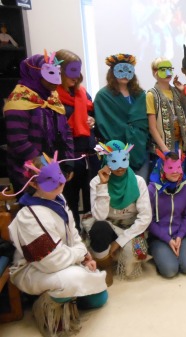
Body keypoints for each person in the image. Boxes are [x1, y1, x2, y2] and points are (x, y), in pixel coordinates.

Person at [3, 153, 107, 336]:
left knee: (99, 298)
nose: (60, 183)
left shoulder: (58, 198)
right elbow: (50, 261)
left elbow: (73, 233)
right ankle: (44, 303)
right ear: (34, 184)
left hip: (63, 259)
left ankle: (67, 296)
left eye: (60, 176)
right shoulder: (29, 217)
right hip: (34, 268)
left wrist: (84, 257)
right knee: (74, 280)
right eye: (50, 180)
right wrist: (79, 254)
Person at [4, 52, 74, 193]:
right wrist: (44, 167)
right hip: (28, 175)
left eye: (58, 74)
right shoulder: (19, 101)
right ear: (35, 74)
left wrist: (68, 162)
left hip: (55, 169)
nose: (57, 81)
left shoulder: (52, 98)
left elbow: (65, 132)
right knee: (35, 212)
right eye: (50, 74)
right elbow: (18, 141)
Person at [89, 140, 152, 285]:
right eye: (114, 161)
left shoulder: (139, 182)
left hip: (130, 227)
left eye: (123, 160)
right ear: (106, 160)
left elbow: (145, 217)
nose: (120, 167)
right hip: (107, 224)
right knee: (99, 229)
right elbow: (99, 217)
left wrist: (120, 241)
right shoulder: (96, 182)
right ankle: (105, 265)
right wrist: (103, 186)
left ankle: (113, 254)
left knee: (136, 254)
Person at [55, 49, 98, 230]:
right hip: (69, 156)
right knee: (70, 200)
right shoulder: (53, 96)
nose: (76, 76)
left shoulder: (82, 93)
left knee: (92, 197)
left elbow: (92, 114)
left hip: (89, 153)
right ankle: (75, 235)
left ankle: (91, 235)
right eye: (71, 71)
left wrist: (92, 120)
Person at [94, 53, 149, 181]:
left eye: (128, 70)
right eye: (120, 70)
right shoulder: (103, 96)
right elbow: (104, 124)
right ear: (112, 72)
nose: (125, 74)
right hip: (116, 150)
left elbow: (145, 121)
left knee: (140, 185)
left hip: (139, 147)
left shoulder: (140, 94)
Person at [148, 150, 186, 278]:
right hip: (159, 237)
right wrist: (168, 240)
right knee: (170, 270)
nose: (175, 171)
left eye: (178, 167)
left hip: (180, 235)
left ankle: (175, 251)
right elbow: (148, 221)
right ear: (162, 168)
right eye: (170, 167)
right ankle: (161, 254)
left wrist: (180, 236)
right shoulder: (152, 190)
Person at [147, 57, 186, 155]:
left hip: (180, 144)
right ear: (155, 72)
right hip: (164, 146)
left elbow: (183, 116)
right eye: (163, 70)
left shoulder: (175, 91)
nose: (168, 73)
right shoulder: (151, 94)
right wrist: (164, 150)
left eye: (170, 69)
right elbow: (152, 127)